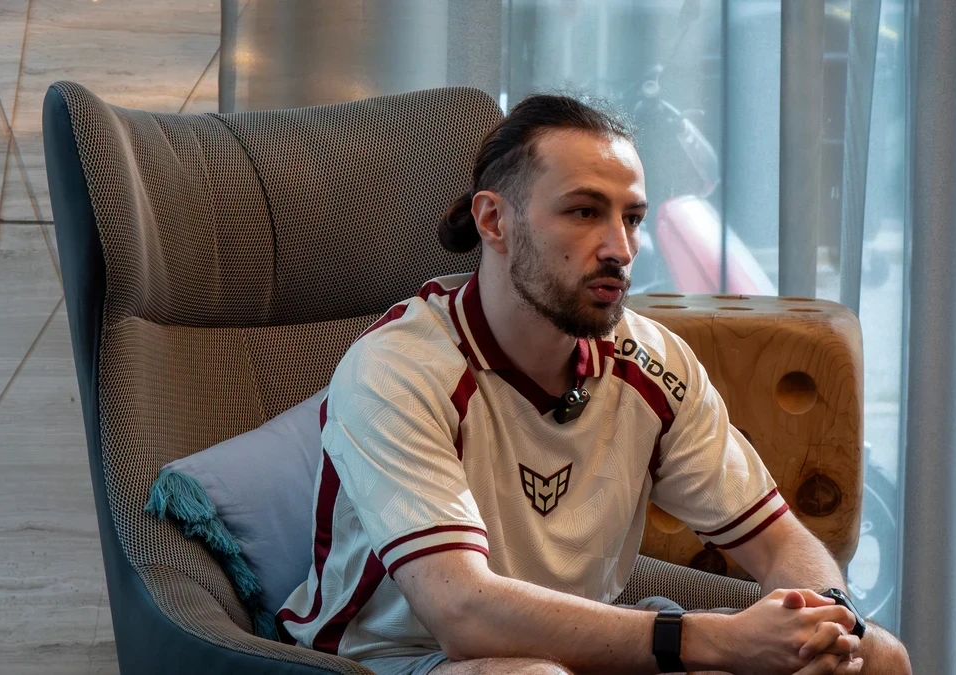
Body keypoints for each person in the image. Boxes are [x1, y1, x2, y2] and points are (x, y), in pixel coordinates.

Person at [276, 94, 911, 675]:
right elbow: (463, 613)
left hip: (584, 647)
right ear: (494, 221)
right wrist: (708, 640)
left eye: (631, 218)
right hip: (395, 659)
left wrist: (828, 623)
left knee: (879, 657)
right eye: (584, 212)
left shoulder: (652, 361)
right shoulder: (396, 370)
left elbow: (778, 543)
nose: (620, 249)